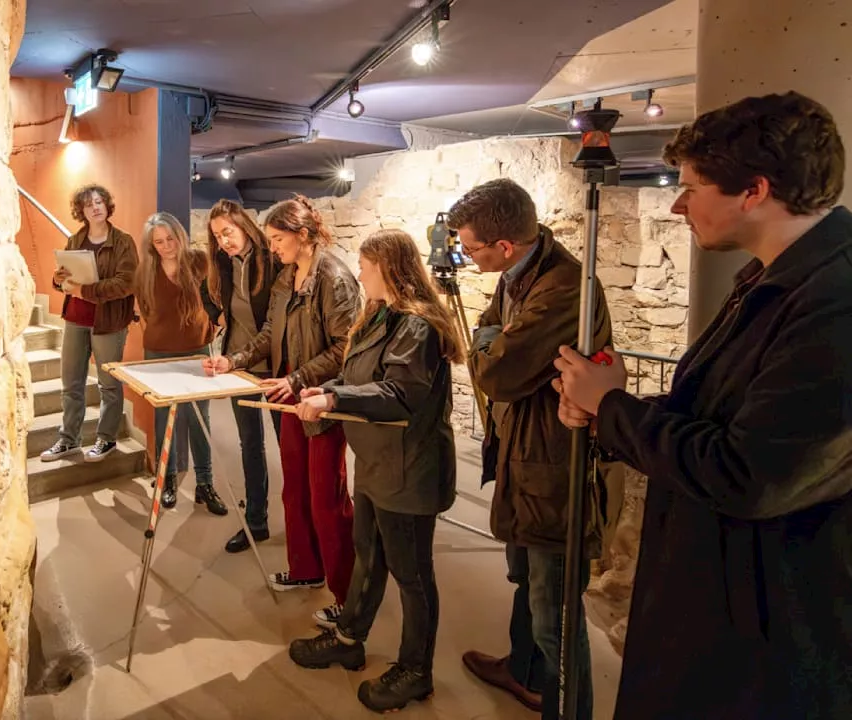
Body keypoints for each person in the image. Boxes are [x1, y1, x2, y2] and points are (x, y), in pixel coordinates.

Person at [555, 91, 852, 720]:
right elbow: (726, 414)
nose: (676, 202)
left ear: (754, 190)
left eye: (692, 186)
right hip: (726, 607)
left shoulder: (836, 300)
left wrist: (613, 411)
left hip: (765, 644)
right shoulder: (776, 278)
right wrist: (608, 407)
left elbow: (752, 475)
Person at [449, 178, 612, 720]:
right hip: (523, 453)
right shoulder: (520, 275)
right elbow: (489, 337)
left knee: (555, 612)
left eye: (471, 249)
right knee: (524, 578)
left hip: (553, 464)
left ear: (504, 247)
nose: (465, 257)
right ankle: (524, 671)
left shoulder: (565, 287)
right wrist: (493, 342)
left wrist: (494, 348)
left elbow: (497, 373)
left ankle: (568, 708)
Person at [285, 229, 464, 713]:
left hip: (409, 467)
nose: (359, 273)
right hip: (377, 461)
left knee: (412, 573)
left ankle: (416, 670)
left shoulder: (417, 326)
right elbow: (361, 373)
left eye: (365, 266)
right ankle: (349, 638)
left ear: (388, 268)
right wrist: (324, 388)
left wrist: (334, 398)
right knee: (368, 557)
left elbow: (400, 393)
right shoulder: (379, 315)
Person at [204, 195, 359, 618]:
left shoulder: (334, 278)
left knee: (326, 496)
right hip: (288, 390)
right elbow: (271, 330)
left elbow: (346, 347)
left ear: (303, 236)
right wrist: (232, 360)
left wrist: (297, 378)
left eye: (277, 240)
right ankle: (306, 568)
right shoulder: (287, 277)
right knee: (295, 488)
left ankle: (347, 596)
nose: (272, 248)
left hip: (318, 396)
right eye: (270, 240)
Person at [202, 199, 285, 552]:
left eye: (228, 233)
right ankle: (256, 520)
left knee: (290, 445)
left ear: (244, 227)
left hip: (277, 365)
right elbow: (206, 293)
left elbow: (274, 321)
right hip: (238, 365)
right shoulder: (221, 261)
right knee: (250, 444)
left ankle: (304, 521)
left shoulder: (272, 258)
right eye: (217, 235)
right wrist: (216, 317)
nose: (223, 241)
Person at [134, 211, 228, 515]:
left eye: (169, 239)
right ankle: (168, 480)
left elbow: (215, 298)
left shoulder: (199, 261)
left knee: (199, 419)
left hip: (196, 350)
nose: (165, 246)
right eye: (158, 242)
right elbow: (145, 310)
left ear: (179, 235)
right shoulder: (146, 270)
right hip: (158, 354)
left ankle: (205, 482)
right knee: (164, 421)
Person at [42, 184, 138, 463]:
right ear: (81, 211)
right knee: (71, 383)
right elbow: (66, 279)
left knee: (109, 384)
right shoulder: (75, 239)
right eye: (88, 204)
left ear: (107, 206)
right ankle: (69, 439)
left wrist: (86, 291)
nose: (95, 207)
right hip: (75, 318)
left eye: (99, 202)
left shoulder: (123, 241)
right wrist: (58, 280)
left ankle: (106, 439)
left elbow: (126, 284)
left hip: (108, 322)